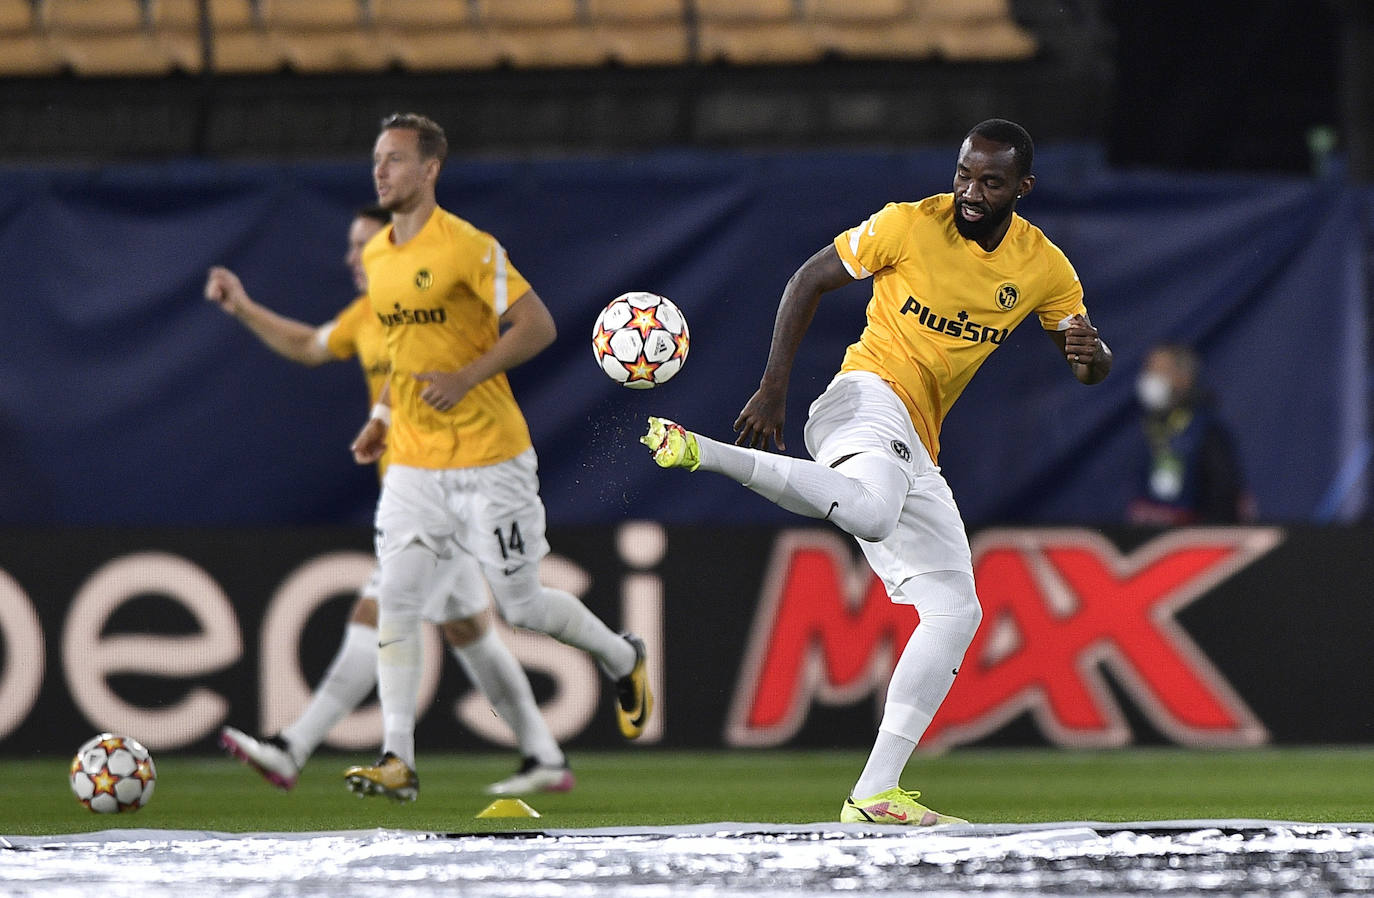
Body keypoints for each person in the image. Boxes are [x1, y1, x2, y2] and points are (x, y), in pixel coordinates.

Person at [641, 119, 1112, 825]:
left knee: (956, 609)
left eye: (990, 181)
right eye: (964, 173)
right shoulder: (908, 225)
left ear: (1023, 188)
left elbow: (1087, 367)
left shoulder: (1043, 266)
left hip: (915, 442)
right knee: (871, 512)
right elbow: (808, 279)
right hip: (861, 400)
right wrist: (773, 388)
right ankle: (704, 451)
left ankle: (874, 795)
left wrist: (1090, 349)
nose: (970, 191)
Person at [205, 206, 574, 798]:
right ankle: (545, 753)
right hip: (414, 490)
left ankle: (293, 747)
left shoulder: (439, 301)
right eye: (351, 246)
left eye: (363, 243)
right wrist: (243, 308)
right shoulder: (366, 315)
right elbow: (307, 345)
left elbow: (515, 334)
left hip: (452, 485)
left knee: (376, 614)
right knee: (468, 632)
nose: (353, 256)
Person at [346, 112, 651, 801]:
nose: (381, 171)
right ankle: (397, 758)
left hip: (491, 458)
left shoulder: (469, 247)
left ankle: (619, 655)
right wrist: (381, 417)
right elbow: (401, 357)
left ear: (430, 170)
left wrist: (466, 377)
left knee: (521, 605)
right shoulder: (377, 258)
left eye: (394, 159)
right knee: (396, 595)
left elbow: (537, 324)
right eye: (377, 159)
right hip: (416, 464)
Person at [1128, 343, 1254, 524]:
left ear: (1184, 378)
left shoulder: (1208, 431)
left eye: (1160, 371)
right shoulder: (1146, 427)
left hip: (1192, 542)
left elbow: (1223, 497)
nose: (1150, 378)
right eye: (1148, 369)